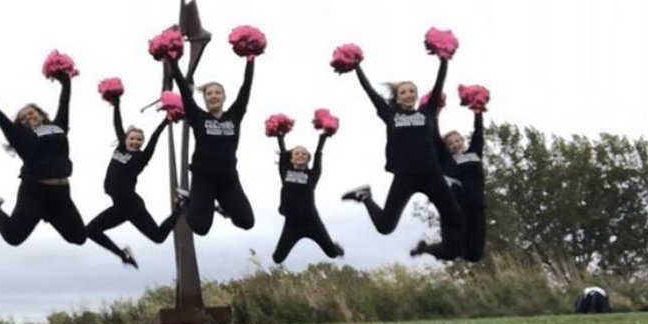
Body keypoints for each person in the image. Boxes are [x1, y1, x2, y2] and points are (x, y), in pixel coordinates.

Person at [340, 55, 464, 258]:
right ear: (397, 98)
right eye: (403, 92)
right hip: (405, 177)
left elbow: (439, 82)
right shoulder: (390, 116)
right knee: (385, 227)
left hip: (432, 175)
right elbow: (370, 91)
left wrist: (444, 59)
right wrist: (357, 67)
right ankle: (364, 197)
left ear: (416, 96)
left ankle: (435, 249)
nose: (408, 94)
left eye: (411, 91)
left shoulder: (428, 112)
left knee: (457, 218)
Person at [0, 74, 87, 247]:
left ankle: (49, 215)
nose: (28, 118)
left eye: (31, 113)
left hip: (61, 193)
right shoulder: (20, 137)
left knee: (78, 238)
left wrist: (66, 81)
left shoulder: (58, 126)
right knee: (13, 237)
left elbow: (64, 103)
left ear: (40, 114)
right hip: (35, 193)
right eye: (23, 118)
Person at [84, 93, 181, 268]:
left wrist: (166, 121)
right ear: (126, 139)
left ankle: (181, 208)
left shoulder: (141, 158)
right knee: (90, 231)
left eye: (139, 140)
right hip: (119, 208)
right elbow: (117, 124)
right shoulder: (120, 148)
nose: (135, 141)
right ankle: (123, 255)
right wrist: (116, 103)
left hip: (132, 206)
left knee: (158, 237)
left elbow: (154, 139)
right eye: (132, 138)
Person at [165, 54, 256, 235]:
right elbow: (184, 90)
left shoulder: (234, 115)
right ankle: (187, 201)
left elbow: (246, 88)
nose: (213, 96)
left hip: (228, 179)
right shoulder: (198, 117)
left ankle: (223, 207)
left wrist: (250, 60)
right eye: (209, 93)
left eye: (217, 92)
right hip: (203, 179)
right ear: (205, 99)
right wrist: (173, 61)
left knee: (247, 221)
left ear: (224, 97)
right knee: (200, 228)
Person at [415, 108, 486, 262]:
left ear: (463, 140)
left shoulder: (475, 153)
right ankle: (425, 248)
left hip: (477, 208)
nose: (455, 144)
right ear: (447, 148)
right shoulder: (446, 160)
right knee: (451, 252)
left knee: (474, 255)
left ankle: (435, 248)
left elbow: (479, 132)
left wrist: (478, 111)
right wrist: (433, 115)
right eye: (451, 143)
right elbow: (435, 138)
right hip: (456, 208)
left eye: (458, 140)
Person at [273, 131, 344, 263]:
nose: (300, 155)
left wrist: (322, 139)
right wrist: (280, 137)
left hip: (312, 222)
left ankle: (334, 247)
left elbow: (318, 154)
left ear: (307, 159)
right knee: (277, 258)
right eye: (297, 153)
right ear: (292, 159)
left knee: (332, 254)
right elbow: (283, 153)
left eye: (304, 154)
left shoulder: (313, 174)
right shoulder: (285, 172)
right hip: (292, 224)